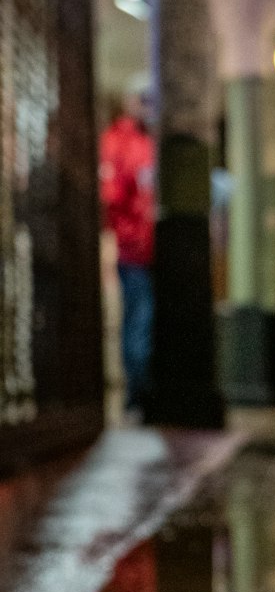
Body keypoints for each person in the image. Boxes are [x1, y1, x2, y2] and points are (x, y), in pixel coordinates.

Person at [99, 102, 156, 413]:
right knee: (138, 321)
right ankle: (138, 393)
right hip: (134, 251)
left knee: (141, 321)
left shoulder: (146, 142)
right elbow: (113, 196)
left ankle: (141, 392)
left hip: (147, 250)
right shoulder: (120, 142)